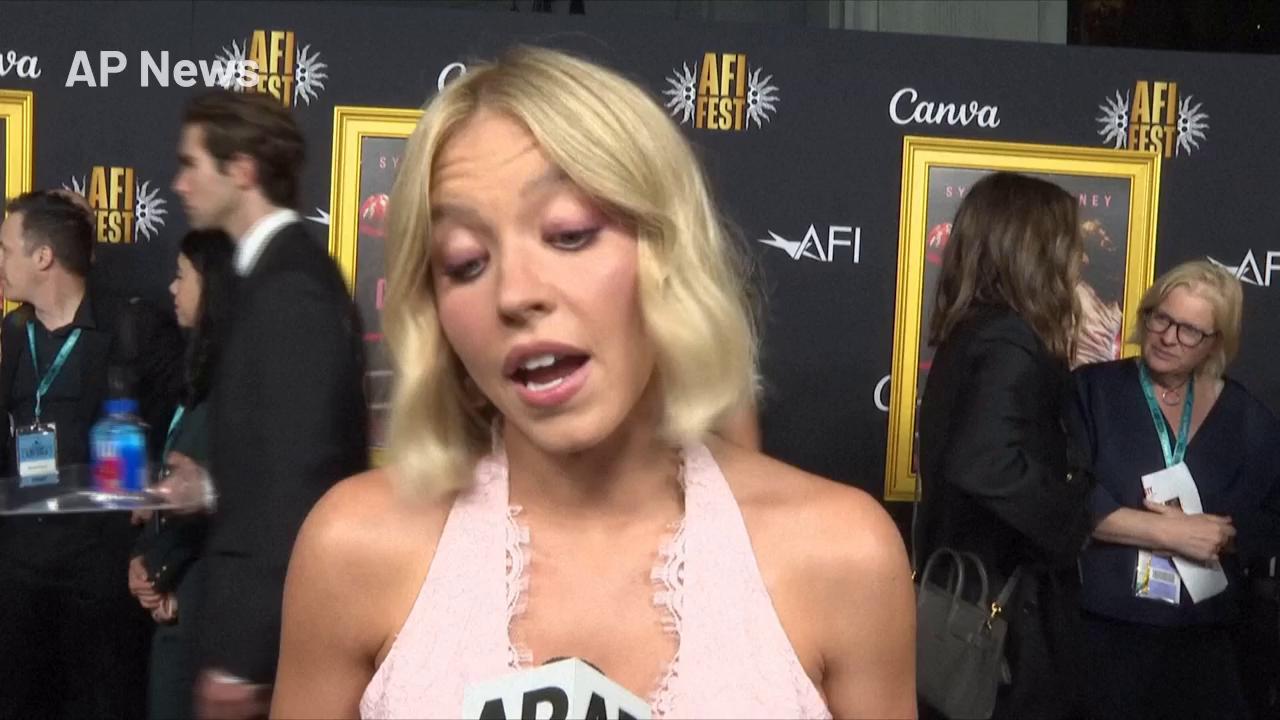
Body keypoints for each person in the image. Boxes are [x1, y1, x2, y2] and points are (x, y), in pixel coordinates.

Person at [269, 46, 915, 719]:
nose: (515, 294)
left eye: (569, 234)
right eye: (464, 263)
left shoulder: (843, 555)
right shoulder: (353, 548)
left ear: (669, 251)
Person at [165, 89, 369, 718]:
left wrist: (244, 660)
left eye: (192, 164)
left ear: (243, 170)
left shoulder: (289, 287)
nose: (178, 184)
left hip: (270, 643)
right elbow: (277, 453)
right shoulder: (266, 275)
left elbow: (299, 485)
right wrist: (210, 486)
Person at [0, 189, 185, 719]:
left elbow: (183, 425)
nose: (0, 262)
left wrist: (155, 488)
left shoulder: (134, 327)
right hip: (20, 573)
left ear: (43, 257)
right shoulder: (13, 331)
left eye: (6, 249)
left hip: (101, 575)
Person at [915, 172, 1093, 719]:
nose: (1080, 261)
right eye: (1070, 246)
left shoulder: (975, 331)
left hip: (971, 595)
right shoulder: (1008, 338)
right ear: (1034, 251)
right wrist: (1076, 515)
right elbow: (984, 463)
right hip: (1003, 615)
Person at [1075, 259, 1280, 720]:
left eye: (1189, 330)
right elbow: (1062, 496)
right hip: (1101, 634)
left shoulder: (1248, 419)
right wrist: (1168, 533)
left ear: (1216, 343)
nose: (1168, 337)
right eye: (1161, 318)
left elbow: (1272, 520)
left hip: (1205, 642)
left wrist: (1226, 537)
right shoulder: (1091, 391)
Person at [127, 230, 236, 719]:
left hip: (202, 613)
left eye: (181, 276)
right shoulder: (196, 371)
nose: (171, 288)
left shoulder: (237, 384)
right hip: (173, 605)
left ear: (211, 285)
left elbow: (232, 500)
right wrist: (144, 559)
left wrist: (163, 571)